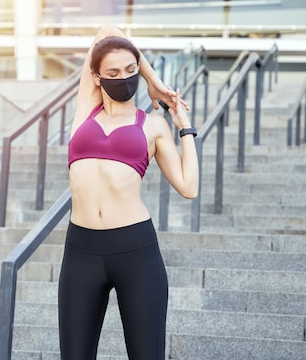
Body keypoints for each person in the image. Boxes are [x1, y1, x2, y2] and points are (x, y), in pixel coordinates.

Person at [58, 24, 200, 360]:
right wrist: (155, 81)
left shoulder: (152, 124)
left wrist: (185, 129)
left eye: (131, 70)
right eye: (114, 71)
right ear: (96, 77)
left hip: (135, 250)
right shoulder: (84, 111)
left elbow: (188, 187)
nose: (124, 77)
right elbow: (107, 32)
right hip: (81, 250)